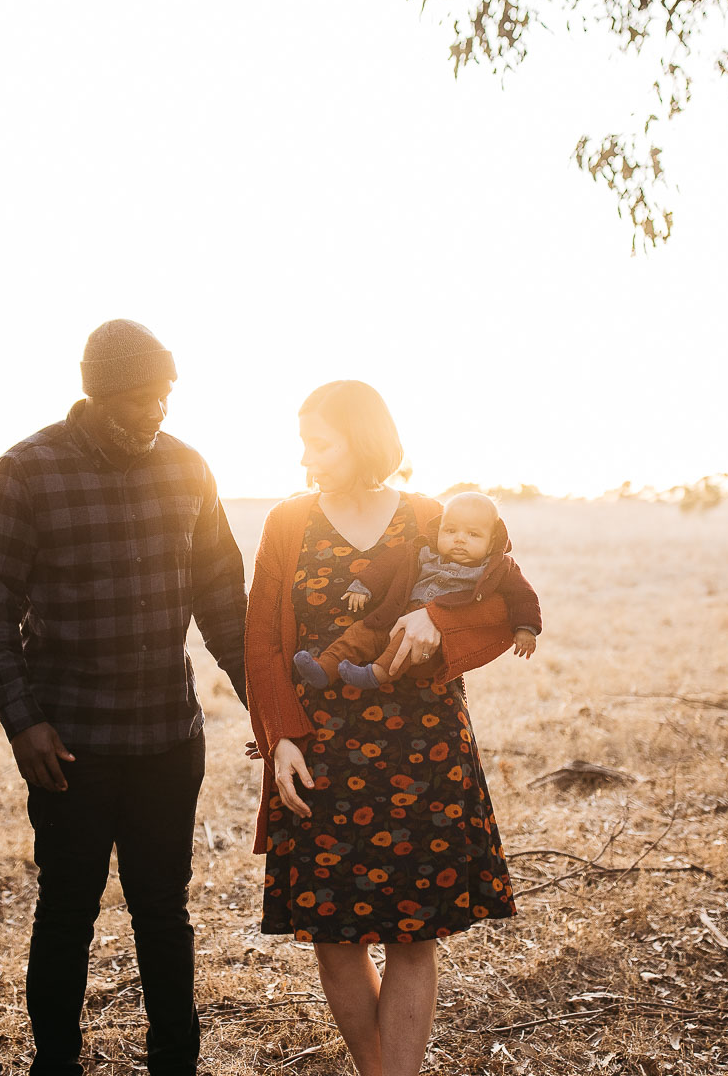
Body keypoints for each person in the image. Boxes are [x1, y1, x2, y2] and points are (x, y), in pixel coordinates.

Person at [0, 319, 248, 1076]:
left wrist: (265, 699)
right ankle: (54, 1064)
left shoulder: (189, 468)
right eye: (138, 399)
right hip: (69, 745)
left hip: (167, 737)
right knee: (67, 912)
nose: (155, 412)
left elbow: (223, 597)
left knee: (164, 910)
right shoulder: (25, 472)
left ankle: (175, 1064)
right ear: (96, 393)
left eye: (163, 397)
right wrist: (22, 722)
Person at [244, 380, 518, 1076]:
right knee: (333, 939)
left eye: (320, 440)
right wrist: (280, 738)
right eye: (303, 440)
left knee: (412, 937)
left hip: (422, 750)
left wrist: (439, 618)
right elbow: (262, 644)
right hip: (321, 753)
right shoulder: (289, 521)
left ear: (361, 439)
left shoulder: (431, 515)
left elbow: (503, 598)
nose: (307, 455)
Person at [292, 490, 542, 690]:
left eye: (473, 534)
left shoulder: (499, 568)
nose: (459, 539)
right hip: (394, 616)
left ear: (492, 543)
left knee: (402, 642)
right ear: (439, 529)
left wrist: (526, 628)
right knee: (360, 633)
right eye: (451, 530)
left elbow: (523, 597)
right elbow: (386, 565)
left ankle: (376, 675)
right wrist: (363, 586)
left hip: (431, 645)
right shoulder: (423, 551)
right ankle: (325, 668)